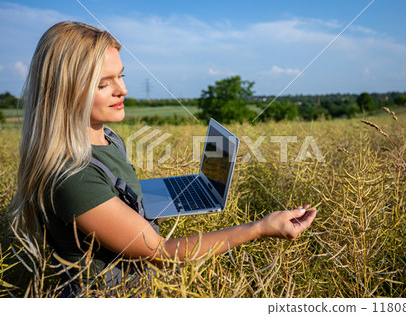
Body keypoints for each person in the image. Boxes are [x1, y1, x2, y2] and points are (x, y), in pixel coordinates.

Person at [9, 21, 317, 296]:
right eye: (104, 84)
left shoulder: (107, 138)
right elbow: (162, 253)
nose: (123, 90)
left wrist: (161, 200)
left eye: (121, 76)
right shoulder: (72, 176)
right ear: (64, 91)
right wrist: (260, 227)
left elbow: (116, 199)